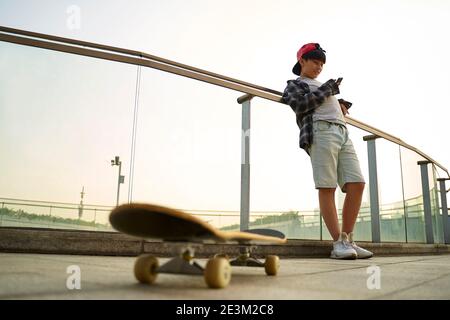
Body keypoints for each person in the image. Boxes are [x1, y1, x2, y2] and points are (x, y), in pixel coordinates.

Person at [282, 43, 372, 259]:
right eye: (315, 61)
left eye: (322, 63)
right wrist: (328, 90)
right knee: (327, 186)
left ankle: (347, 239)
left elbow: (323, 99)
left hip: (342, 133)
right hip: (320, 131)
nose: (319, 66)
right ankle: (338, 244)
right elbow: (300, 106)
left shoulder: (322, 85)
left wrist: (338, 102)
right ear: (302, 61)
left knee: (357, 183)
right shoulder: (294, 84)